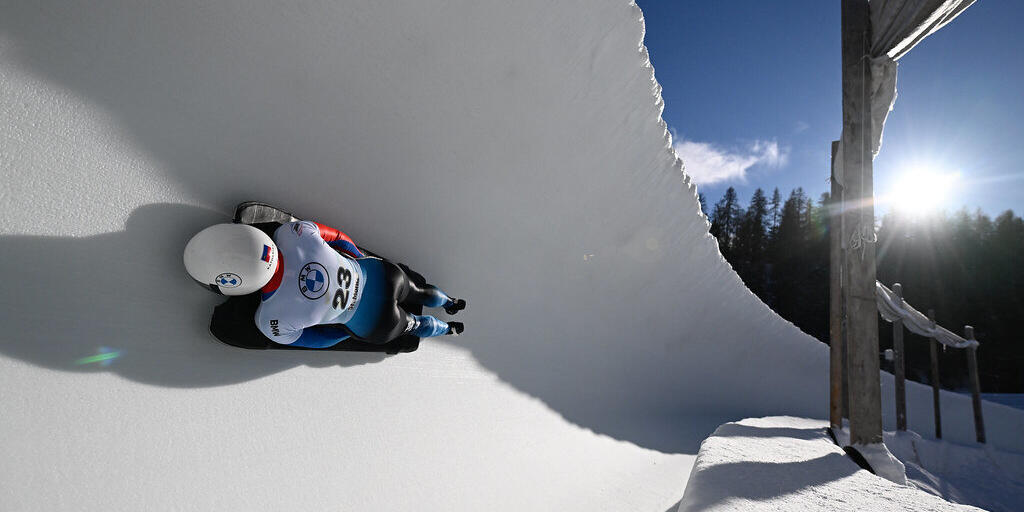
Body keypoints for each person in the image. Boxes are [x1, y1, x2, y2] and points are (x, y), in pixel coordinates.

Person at [183, 220, 465, 348]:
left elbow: (320, 341)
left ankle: (447, 329)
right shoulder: (293, 233)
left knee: (413, 325)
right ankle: (450, 302)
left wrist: (347, 329)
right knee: (418, 291)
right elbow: (341, 238)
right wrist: (359, 262)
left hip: (375, 322)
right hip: (383, 275)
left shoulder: (271, 320)